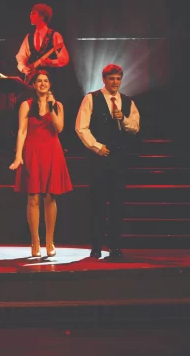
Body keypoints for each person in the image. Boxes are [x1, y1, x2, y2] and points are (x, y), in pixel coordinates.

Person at [75, 64, 140, 260]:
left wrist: (124, 119)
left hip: (119, 160)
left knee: (117, 204)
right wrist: (96, 146)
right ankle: (96, 246)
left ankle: (115, 246)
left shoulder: (127, 102)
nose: (115, 82)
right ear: (104, 79)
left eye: (118, 79)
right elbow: (81, 127)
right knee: (97, 204)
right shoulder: (91, 98)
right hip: (99, 160)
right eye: (111, 79)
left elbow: (135, 127)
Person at [9, 70, 72, 258]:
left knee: (50, 197)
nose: (42, 84)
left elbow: (59, 128)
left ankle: (50, 240)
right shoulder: (26, 105)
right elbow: (22, 132)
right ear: (34, 85)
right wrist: (18, 156)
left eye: (46, 81)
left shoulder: (57, 105)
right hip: (33, 151)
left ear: (50, 84)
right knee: (33, 197)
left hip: (52, 151)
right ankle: (35, 241)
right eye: (39, 81)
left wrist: (51, 106)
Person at [15, 4, 70, 78]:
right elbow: (21, 56)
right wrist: (23, 68)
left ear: (42, 16)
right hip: (33, 80)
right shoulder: (29, 36)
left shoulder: (55, 35)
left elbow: (64, 59)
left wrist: (51, 62)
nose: (30, 16)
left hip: (49, 79)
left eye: (33, 13)